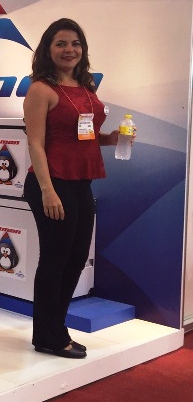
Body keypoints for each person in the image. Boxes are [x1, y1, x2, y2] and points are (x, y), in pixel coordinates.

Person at [22, 18, 133, 359]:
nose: (69, 50)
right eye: (61, 43)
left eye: (75, 43)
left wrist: (110, 139)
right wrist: (47, 190)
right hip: (52, 182)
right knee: (55, 260)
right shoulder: (41, 89)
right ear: (48, 49)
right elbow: (36, 143)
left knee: (75, 259)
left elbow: (83, 135)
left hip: (81, 182)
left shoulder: (86, 86)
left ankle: (56, 329)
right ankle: (47, 336)